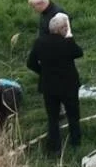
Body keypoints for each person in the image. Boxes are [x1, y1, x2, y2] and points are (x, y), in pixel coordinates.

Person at [26, 13, 83, 154]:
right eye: (66, 27)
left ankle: (55, 147)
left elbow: (30, 63)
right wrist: (69, 36)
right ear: (62, 28)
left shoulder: (39, 42)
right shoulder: (67, 43)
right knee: (73, 115)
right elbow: (78, 53)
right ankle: (75, 142)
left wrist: (43, 72)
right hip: (68, 86)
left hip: (49, 86)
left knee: (52, 117)